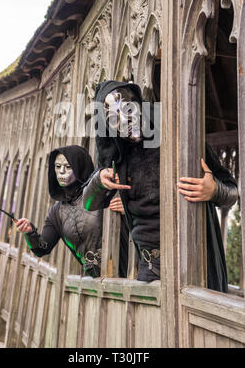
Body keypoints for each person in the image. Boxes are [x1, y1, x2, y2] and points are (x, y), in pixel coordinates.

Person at [83, 80, 238, 291]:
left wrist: (214, 190)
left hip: (197, 265)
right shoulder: (117, 157)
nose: (124, 119)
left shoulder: (181, 135)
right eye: (112, 118)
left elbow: (232, 191)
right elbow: (89, 202)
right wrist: (99, 180)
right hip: (151, 271)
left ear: (138, 103)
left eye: (127, 107)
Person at [15, 145, 104, 277]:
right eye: (57, 167)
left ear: (80, 167)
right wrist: (29, 232)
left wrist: (126, 209)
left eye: (68, 167)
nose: (61, 172)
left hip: (125, 274)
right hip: (94, 282)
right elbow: (42, 248)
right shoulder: (56, 212)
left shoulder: (102, 193)